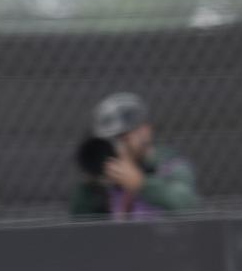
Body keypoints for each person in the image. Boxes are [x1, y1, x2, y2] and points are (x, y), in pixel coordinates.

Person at [69, 92, 200, 218]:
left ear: (145, 131)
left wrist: (140, 184)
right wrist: (91, 184)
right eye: (111, 140)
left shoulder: (170, 165)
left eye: (123, 137)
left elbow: (188, 204)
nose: (118, 145)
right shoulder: (107, 177)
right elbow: (79, 224)